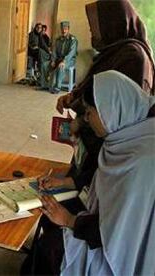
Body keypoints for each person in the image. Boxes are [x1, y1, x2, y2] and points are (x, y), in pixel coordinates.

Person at [24, 70, 155, 275]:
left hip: (121, 254)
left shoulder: (140, 162)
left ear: (109, 110)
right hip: (105, 225)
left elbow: (117, 232)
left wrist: (69, 220)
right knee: (53, 214)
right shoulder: (125, 138)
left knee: (50, 248)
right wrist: (65, 183)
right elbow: (98, 179)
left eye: (89, 112)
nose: (86, 119)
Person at [50, 0, 155, 200]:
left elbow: (116, 112)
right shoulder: (113, 52)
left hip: (110, 150)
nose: (91, 34)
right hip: (94, 147)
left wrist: (82, 120)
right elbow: (95, 89)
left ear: (112, 25)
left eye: (94, 29)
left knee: (84, 203)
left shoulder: (132, 57)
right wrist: (74, 97)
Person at [40, 21, 78, 93]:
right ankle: (45, 85)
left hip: (69, 60)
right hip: (58, 59)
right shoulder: (58, 40)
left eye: (65, 29)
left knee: (61, 66)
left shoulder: (73, 40)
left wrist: (64, 61)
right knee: (44, 65)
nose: (64, 31)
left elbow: (71, 53)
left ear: (68, 29)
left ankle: (57, 87)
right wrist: (53, 60)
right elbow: (54, 51)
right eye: (62, 29)